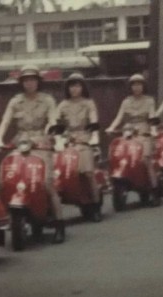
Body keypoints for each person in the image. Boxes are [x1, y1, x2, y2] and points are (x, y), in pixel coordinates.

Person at [0, 65, 65, 239]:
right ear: (21, 82)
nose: (29, 83)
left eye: (32, 79)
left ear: (38, 81)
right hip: (21, 142)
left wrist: (58, 139)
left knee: (46, 183)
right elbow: (5, 121)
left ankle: (59, 224)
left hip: (41, 142)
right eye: (26, 80)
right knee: (8, 179)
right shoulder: (15, 101)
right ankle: (6, 217)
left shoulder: (47, 100)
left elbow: (53, 121)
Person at [55, 72, 102, 222]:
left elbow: (94, 121)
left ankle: (95, 206)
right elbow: (54, 122)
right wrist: (54, 136)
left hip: (84, 141)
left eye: (77, 85)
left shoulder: (89, 103)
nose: (74, 89)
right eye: (71, 86)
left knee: (87, 172)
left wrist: (94, 136)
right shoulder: (63, 105)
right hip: (67, 142)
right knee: (58, 172)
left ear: (82, 87)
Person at [106, 73, 158, 186]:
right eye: (134, 85)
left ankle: (154, 188)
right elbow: (119, 117)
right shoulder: (126, 101)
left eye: (139, 84)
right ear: (130, 87)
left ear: (144, 86)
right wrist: (111, 127)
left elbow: (152, 117)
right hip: (128, 133)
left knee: (145, 159)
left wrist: (153, 129)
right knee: (120, 155)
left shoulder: (149, 100)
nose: (137, 87)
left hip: (144, 133)